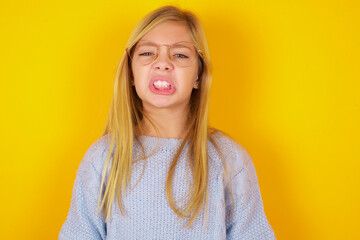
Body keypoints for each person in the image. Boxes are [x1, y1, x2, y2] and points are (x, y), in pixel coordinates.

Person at [59, 5, 276, 239]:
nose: (163, 63)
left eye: (180, 54)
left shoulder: (228, 158)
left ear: (198, 76)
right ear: (131, 74)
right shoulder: (104, 156)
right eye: (147, 53)